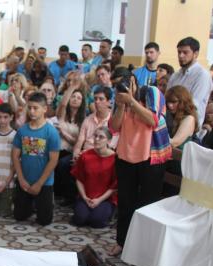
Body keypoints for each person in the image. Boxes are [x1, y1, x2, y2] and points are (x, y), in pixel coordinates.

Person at [110, 74, 172, 256]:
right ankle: (122, 242)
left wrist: (132, 102)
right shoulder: (121, 100)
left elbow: (153, 120)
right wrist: (122, 105)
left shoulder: (152, 92)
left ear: (134, 82)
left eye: (125, 84)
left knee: (147, 204)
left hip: (151, 158)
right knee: (125, 203)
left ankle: (144, 249)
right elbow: (114, 127)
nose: (122, 89)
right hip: (126, 156)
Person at [12, 92, 60, 226]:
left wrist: (39, 183)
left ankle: (42, 202)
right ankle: (31, 204)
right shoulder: (22, 131)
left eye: (35, 108)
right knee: (19, 216)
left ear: (45, 109)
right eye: (30, 107)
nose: (32, 111)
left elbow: (53, 160)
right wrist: (21, 179)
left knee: (44, 221)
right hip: (25, 181)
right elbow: (15, 156)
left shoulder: (51, 132)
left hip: (44, 183)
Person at [70, 127, 116, 228]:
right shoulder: (85, 155)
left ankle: (107, 213)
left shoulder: (115, 159)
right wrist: (84, 197)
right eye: (95, 136)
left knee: (97, 221)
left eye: (101, 137)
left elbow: (114, 186)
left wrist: (99, 200)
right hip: (86, 197)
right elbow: (79, 178)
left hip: (105, 199)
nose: (96, 139)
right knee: (79, 219)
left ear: (108, 141)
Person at [167, 37, 213, 130]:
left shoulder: (202, 75)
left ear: (195, 54)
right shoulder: (175, 75)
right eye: (179, 52)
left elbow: (193, 104)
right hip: (171, 123)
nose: (181, 56)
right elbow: (168, 98)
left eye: (185, 52)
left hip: (190, 126)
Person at [73, 87, 115, 157]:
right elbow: (79, 143)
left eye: (101, 99)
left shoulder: (113, 121)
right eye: (95, 99)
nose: (97, 101)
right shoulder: (87, 119)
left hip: (103, 156)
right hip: (85, 154)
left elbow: (111, 147)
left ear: (109, 102)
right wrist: (75, 155)